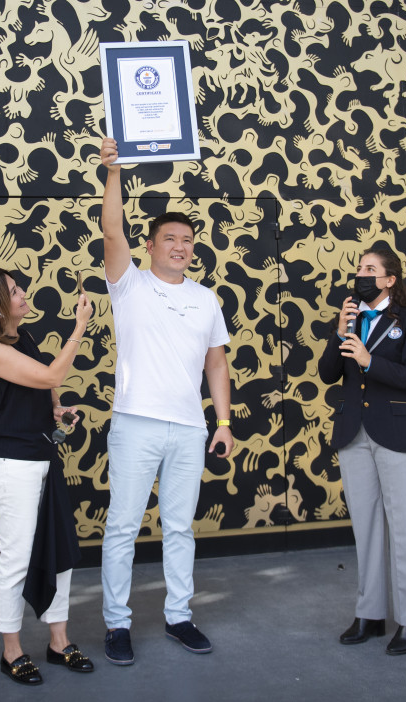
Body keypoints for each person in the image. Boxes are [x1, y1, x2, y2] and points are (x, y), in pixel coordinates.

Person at [99, 137, 234, 665]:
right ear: (151, 246)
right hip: (136, 424)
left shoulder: (205, 298)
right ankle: (117, 624)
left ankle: (179, 617)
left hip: (189, 429)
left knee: (180, 528)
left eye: (187, 241)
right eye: (170, 239)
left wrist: (222, 422)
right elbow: (112, 230)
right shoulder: (128, 284)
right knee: (123, 527)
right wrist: (114, 172)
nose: (180, 247)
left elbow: (216, 364)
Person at [0, 267, 95, 684]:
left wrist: (56, 410)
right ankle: (12, 652)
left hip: (44, 460)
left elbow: (42, 389)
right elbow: (52, 375)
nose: (23, 294)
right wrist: (79, 327)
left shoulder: (25, 338)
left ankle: (59, 642)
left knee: (59, 553)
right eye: (15, 291)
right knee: (16, 561)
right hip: (13, 467)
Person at [318, 245, 406, 656]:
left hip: (399, 434)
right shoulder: (351, 318)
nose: (361, 275)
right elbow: (328, 373)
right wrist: (339, 332)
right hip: (354, 433)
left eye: (370, 269)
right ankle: (369, 614)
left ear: (390, 279)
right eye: (358, 268)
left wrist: (369, 361)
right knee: (365, 528)